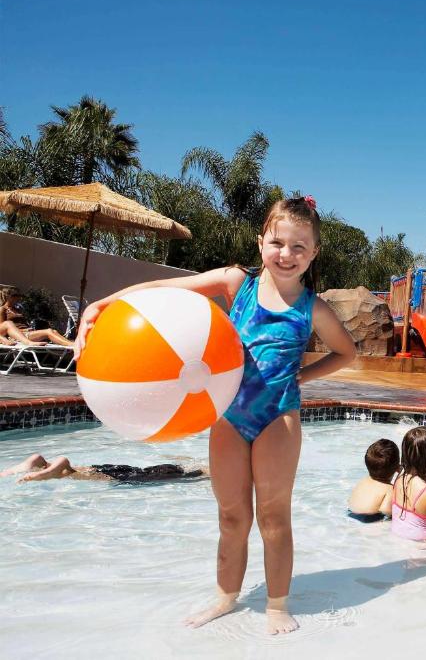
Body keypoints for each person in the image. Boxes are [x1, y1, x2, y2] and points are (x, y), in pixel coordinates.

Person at [76, 195, 357, 635]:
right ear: (260, 240)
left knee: (273, 516)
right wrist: (104, 304)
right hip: (229, 416)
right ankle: (226, 597)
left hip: (277, 418)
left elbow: (346, 352)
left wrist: (302, 377)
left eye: (299, 247)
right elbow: (164, 289)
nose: (286, 254)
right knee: (231, 516)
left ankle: (277, 604)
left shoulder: (311, 308)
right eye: (277, 242)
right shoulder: (236, 284)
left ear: (314, 253)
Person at [1, 453, 206, 483]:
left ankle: (41, 468)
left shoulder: (180, 466)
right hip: (109, 472)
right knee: (73, 473)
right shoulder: (192, 470)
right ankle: (50, 472)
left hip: (113, 470)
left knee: (87, 470)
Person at [348, 439, 400, 522]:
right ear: (397, 467)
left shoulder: (363, 481)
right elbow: (386, 510)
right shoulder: (389, 489)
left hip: (350, 515)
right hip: (369, 521)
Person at [0, 288, 72, 346]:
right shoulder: (2, 309)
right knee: (48, 331)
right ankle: (71, 345)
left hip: (27, 332)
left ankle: (72, 345)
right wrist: (24, 330)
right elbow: (5, 329)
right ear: (9, 297)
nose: (19, 298)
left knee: (53, 331)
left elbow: (24, 324)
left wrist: (29, 328)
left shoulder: (18, 309)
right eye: (16, 296)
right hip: (19, 336)